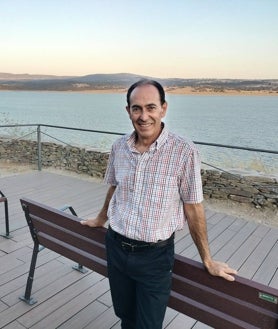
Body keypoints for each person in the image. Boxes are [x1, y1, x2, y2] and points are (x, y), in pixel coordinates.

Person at [81, 79, 237, 329]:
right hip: (116, 246)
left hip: (154, 257)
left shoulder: (184, 151)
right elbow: (115, 187)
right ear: (128, 111)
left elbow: (193, 207)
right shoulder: (119, 147)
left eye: (151, 107)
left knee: (148, 325)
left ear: (163, 108)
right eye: (136, 108)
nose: (144, 116)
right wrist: (101, 219)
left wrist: (207, 259)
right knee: (125, 316)